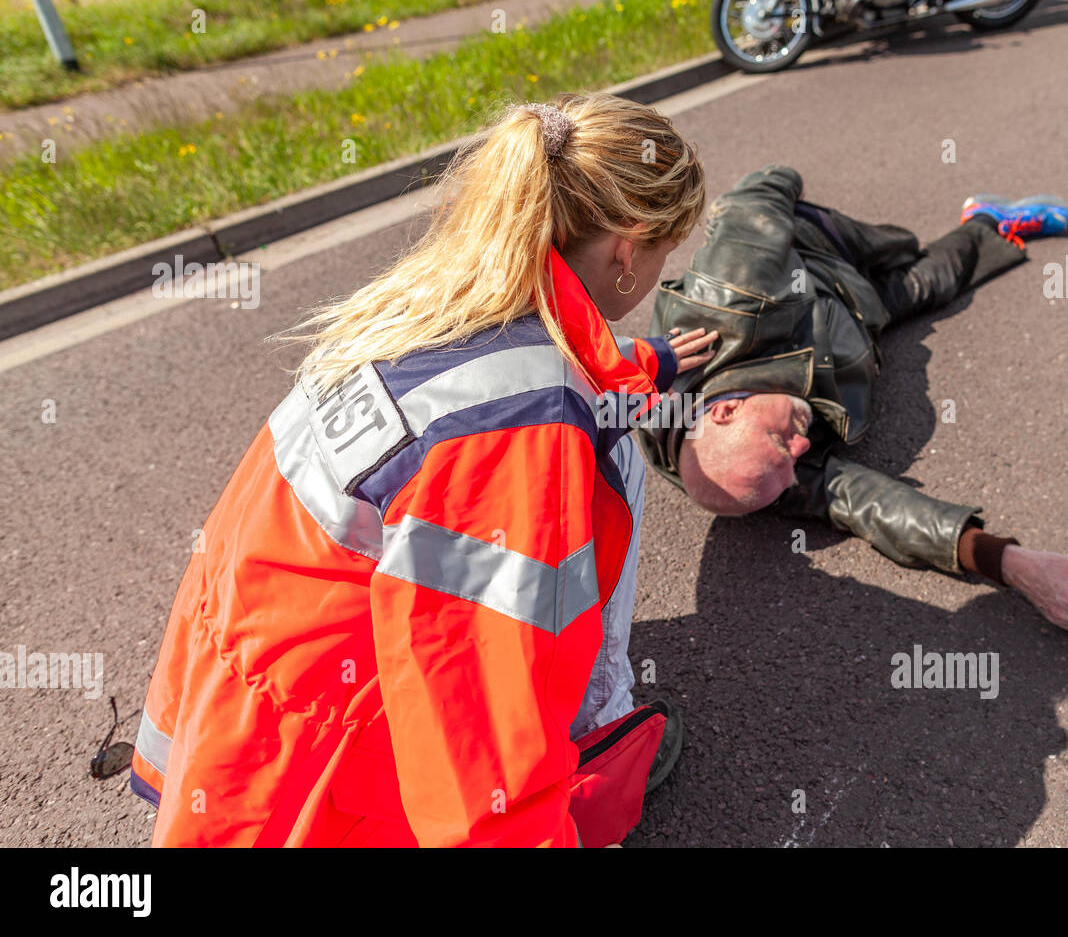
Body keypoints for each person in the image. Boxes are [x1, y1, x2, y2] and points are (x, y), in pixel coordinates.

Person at [129, 92, 714, 847]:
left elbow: (531, 367)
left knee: (607, 439)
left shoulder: (432, 301)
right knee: (613, 468)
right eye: (666, 256)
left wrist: (649, 363)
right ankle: (600, 726)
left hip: (241, 716)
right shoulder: (522, 434)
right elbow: (480, 739)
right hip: (326, 782)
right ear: (629, 250)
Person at [638, 165, 1068, 636]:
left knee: (901, 248)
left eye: (781, 440)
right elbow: (869, 505)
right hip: (860, 320)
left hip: (822, 256)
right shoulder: (757, 470)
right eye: (791, 462)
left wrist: (789, 184)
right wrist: (1012, 563)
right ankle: (989, 219)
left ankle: (944, 230)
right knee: (934, 280)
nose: (802, 448)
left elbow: (754, 194)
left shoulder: (731, 290)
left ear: (725, 411)